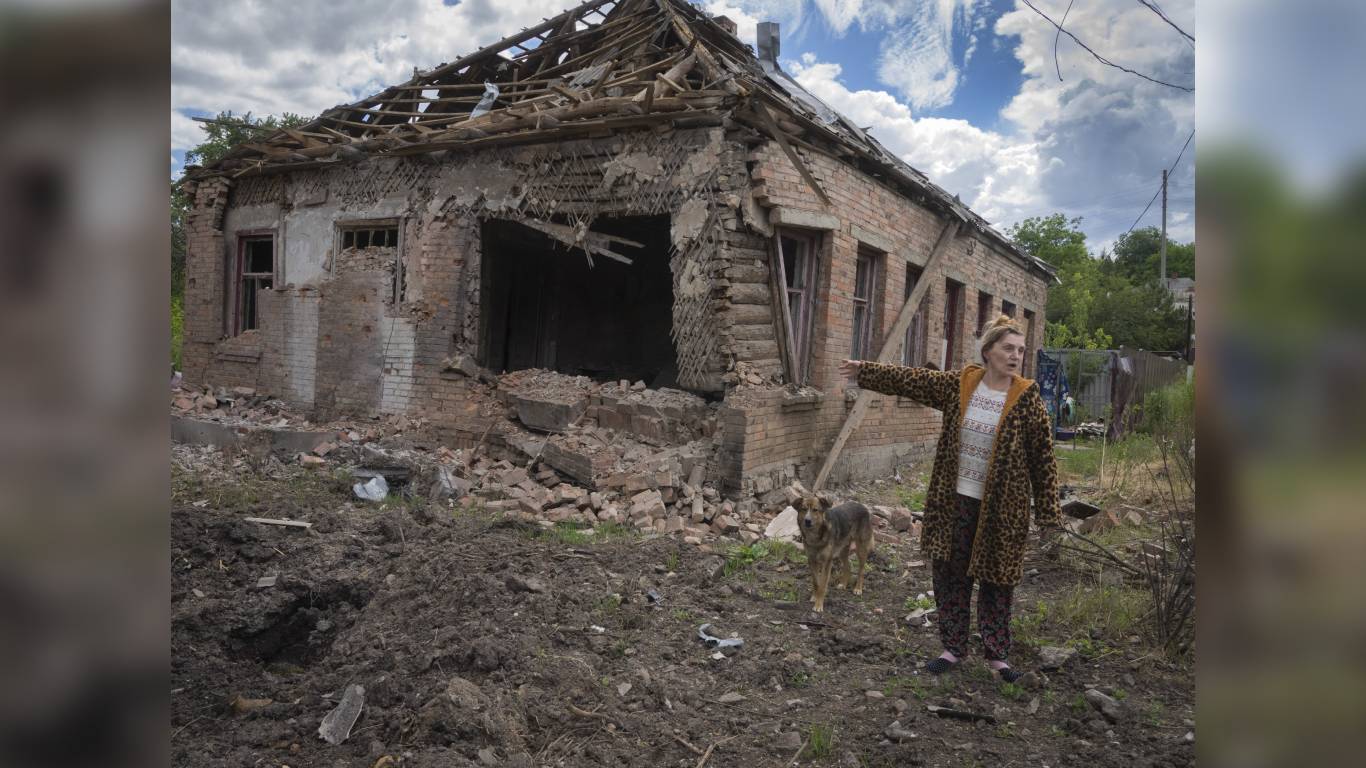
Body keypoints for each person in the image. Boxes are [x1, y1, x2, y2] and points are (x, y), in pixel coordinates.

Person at [838, 315, 1062, 682]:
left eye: (1020, 350)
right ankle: (953, 648)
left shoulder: (1027, 398)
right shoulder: (962, 384)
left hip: (1003, 510)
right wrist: (865, 371)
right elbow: (913, 380)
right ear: (988, 351)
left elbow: (1044, 460)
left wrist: (1050, 516)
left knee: (997, 579)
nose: (1015, 356)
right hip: (954, 501)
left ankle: (997, 656)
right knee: (949, 574)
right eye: (1008, 348)